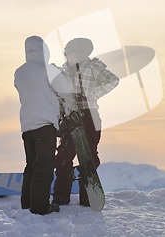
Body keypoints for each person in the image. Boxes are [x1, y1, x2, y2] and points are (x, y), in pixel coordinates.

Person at [53, 38, 119, 206]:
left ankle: (87, 196)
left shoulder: (93, 66)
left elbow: (113, 80)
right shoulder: (62, 71)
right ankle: (61, 197)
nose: (69, 55)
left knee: (88, 155)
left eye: (72, 52)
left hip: (89, 115)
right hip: (69, 116)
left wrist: (92, 95)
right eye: (67, 52)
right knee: (63, 156)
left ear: (82, 53)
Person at [14, 36, 75, 215]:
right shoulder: (47, 70)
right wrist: (58, 72)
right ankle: (40, 207)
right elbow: (66, 89)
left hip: (27, 125)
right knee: (44, 166)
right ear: (44, 50)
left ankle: (27, 204)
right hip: (45, 125)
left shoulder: (19, 72)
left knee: (31, 165)